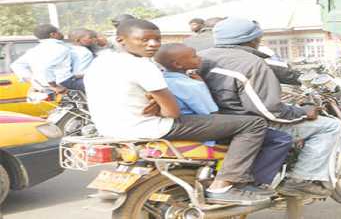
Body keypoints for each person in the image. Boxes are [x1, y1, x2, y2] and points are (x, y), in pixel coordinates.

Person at [83, 19, 272, 205]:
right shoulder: (142, 66)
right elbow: (172, 112)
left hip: (110, 129)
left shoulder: (101, 61)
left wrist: (156, 103)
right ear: (121, 40)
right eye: (144, 40)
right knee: (253, 124)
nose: (153, 44)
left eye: (157, 39)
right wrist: (161, 105)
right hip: (150, 127)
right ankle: (223, 185)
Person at [198, 18, 341, 198]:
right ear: (254, 40)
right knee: (330, 126)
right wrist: (302, 112)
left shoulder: (202, 55)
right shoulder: (252, 63)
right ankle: (301, 180)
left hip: (214, 121)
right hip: (249, 124)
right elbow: (270, 111)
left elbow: (283, 73)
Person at [154, 43, 294, 185]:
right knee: (279, 139)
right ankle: (255, 183)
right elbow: (211, 112)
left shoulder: (163, 79)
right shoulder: (191, 85)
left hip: (177, 125)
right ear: (178, 64)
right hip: (199, 125)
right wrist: (202, 85)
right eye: (194, 56)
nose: (199, 58)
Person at [11, 24, 76, 94]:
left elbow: (16, 65)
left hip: (44, 86)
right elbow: (45, 67)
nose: (61, 33)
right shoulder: (61, 48)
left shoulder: (33, 50)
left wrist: (33, 80)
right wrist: (54, 86)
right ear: (53, 34)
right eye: (58, 32)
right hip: (63, 84)